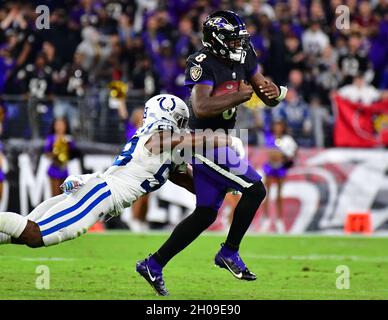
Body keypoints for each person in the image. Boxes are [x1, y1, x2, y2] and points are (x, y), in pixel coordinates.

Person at [136, 10, 287, 296]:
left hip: (222, 140)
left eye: (240, 40)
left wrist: (274, 93)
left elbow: (263, 91)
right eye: (232, 40)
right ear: (217, 40)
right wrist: (242, 95)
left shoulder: (244, 55)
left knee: (206, 213)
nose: (238, 45)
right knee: (255, 190)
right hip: (203, 141)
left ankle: (153, 264)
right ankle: (229, 252)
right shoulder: (201, 63)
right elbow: (202, 107)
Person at [0, 94, 245, 251]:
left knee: (25, 235)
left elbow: (190, 182)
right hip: (100, 194)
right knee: (35, 235)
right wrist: (221, 139)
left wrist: (224, 183)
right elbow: (168, 140)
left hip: (97, 191)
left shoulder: (168, 148)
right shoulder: (158, 136)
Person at [261, 120, 297, 233]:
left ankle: (279, 220)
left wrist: (284, 156)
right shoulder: (270, 137)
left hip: (281, 167)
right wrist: (277, 154)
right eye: (276, 125)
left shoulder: (287, 140)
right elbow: (270, 153)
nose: (278, 128)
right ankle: (266, 219)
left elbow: (290, 153)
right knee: (266, 193)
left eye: (280, 126)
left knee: (279, 194)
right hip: (270, 167)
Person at [44, 118, 77, 196]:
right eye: (57, 125)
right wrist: (55, 153)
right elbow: (46, 153)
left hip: (65, 170)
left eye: (62, 125)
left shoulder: (69, 138)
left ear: (66, 126)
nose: (60, 127)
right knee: (55, 196)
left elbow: (73, 152)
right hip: (54, 169)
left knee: (65, 196)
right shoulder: (51, 138)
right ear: (54, 126)